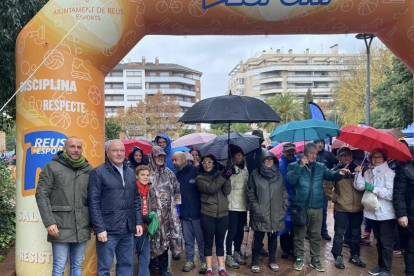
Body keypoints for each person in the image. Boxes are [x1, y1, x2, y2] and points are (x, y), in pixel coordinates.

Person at [288, 142, 349, 272]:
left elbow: (331, 175)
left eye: (316, 154)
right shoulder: (293, 166)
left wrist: (339, 173)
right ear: (304, 153)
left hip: (317, 206)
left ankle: (315, 259)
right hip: (300, 207)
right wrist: (300, 166)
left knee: (315, 235)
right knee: (299, 235)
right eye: (311, 153)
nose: (314, 156)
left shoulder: (320, 167)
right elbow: (291, 180)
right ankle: (299, 257)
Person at [35, 136, 92, 276]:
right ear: (64, 149)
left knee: (77, 265)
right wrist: (49, 222)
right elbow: (41, 195)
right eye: (72, 146)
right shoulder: (52, 167)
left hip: (82, 225)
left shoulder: (88, 169)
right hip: (59, 225)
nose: (76, 150)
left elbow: (93, 198)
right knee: (59, 266)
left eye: (79, 147)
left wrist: (93, 222)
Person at [88, 140, 143, 276]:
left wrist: (137, 221)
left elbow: (136, 198)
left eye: (122, 150)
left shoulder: (130, 172)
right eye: (115, 150)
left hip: (127, 228)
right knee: (105, 268)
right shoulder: (98, 173)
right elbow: (93, 202)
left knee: (126, 265)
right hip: (108, 229)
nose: (119, 153)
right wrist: (99, 228)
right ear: (107, 153)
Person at [354, 148, 396, 276]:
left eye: (379, 157)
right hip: (373, 212)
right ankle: (380, 266)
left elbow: (391, 194)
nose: (376, 159)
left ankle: (387, 270)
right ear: (370, 159)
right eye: (374, 157)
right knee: (378, 241)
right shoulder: (368, 172)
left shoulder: (389, 173)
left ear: (384, 159)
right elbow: (359, 186)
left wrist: (374, 188)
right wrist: (358, 174)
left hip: (386, 214)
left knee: (386, 243)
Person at [323, 147, 366, 270]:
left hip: (357, 208)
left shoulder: (358, 170)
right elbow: (326, 187)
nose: (346, 157)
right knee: (339, 234)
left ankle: (355, 255)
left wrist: (360, 173)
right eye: (343, 155)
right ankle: (337, 256)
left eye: (348, 155)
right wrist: (335, 198)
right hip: (341, 208)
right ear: (338, 157)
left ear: (351, 156)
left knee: (356, 233)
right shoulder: (335, 171)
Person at [247, 151, 288, 273]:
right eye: (266, 160)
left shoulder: (278, 175)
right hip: (260, 213)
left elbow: (284, 192)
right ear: (262, 161)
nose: (269, 162)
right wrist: (256, 207)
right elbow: (250, 193)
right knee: (258, 239)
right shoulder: (255, 175)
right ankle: (255, 262)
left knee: (273, 238)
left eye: (271, 160)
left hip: (276, 213)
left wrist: (284, 206)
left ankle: (272, 260)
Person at [196, 154, 232, 276]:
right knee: (208, 242)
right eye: (204, 163)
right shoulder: (199, 178)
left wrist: (227, 177)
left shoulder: (219, 175)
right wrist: (223, 177)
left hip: (223, 214)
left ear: (214, 163)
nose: (207, 165)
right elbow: (211, 188)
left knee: (220, 241)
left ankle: (222, 268)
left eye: (209, 162)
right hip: (208, 214)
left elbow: (227, 191)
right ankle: (209, 269)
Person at [149, 146, 182, 276]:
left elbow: (177, 190)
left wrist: (177, 208)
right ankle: (148, 269)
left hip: (168, 215)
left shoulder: (169, 173)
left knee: (165, 241)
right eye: (158, 156)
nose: (160, 158)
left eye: (162, 156)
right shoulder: (146, 172)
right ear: (152, 157)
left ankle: (164, 269)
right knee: (151, 242)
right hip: (152, 216)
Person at [172, 152, 207, 274]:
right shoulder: (176, 176)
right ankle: (190, 260)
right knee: (188, 240)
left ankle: (204, 261)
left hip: (198, 213)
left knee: (201, 239)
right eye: (173, 160)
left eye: (176, 160)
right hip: (184, 214)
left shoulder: (196, 171)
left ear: (183, 159)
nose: (174, 162)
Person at [225, 145, 249, 269]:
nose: (239, 156)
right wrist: (229, 175)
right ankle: (228, 255)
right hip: (232, 206)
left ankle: (236, 252)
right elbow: (227, 188)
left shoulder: (245, 169)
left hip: (243, 206)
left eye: (241, 154)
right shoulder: (229, 170)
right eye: (237, 154)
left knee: (240, 231)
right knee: (232, 231)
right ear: (233, 156)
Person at [393, 158, 414, 276]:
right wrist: (401, 214)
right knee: (411, 247)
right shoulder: (405, 169)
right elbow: (399, 193)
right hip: (411, 215)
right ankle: (410, 273)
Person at [314, 139, 338, 241]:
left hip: (324, 186)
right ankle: (310, 231)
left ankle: (323, 231)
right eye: (317, 143)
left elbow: (336, 165)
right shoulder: (310, 155)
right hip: (312, 186)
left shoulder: (328, 155)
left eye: (322, 143)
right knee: (311, 210)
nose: (320, 145)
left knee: (323, 210)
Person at [134, 165, 156, 276]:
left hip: (146, 228)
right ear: (136, 176)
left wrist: (152, 216)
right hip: (133, 228)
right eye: (142, 175)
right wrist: (141, 216)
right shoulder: (133, 189)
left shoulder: (150, 189)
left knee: (145, 257)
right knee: (128, 258)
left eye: (147, 175)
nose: (145, 177)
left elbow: (155, 205)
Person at [278, 142, 297, 259]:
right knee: (283, 226)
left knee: (296, 227)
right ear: (283, 152)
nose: (290, 153)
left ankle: (294, 248)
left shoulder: (299, 163)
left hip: (296, 199)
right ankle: (285, 249)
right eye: (288, 151)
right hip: (282, 200)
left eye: (292, 151)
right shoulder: (278, 165)